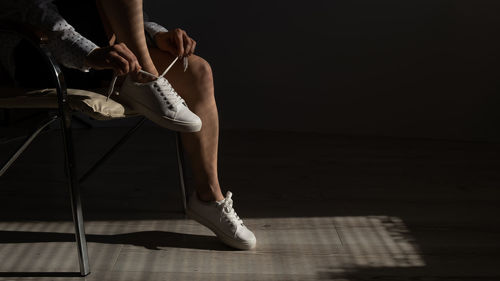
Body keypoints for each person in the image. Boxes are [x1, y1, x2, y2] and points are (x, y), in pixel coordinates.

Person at [0, 0, 256, 250]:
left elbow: (122, 13)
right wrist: (92, 54)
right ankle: (144, 79)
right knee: (172, 72)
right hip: (41, 54)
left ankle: (209, 198)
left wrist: (158, 34)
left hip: (110, 55)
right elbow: (38, 16)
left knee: (199, 73)